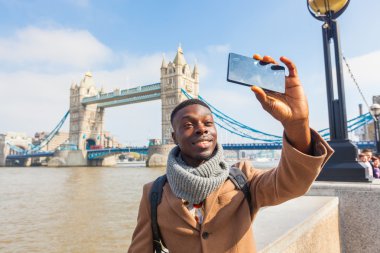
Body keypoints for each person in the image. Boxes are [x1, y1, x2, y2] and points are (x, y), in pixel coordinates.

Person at [128, 54, 334, 253]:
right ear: (173, 137)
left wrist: (297, 125)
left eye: (208, 123)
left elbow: (293, 184)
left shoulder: (243, 177)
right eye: (189, 125)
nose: (202, 129)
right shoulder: (153, 194)